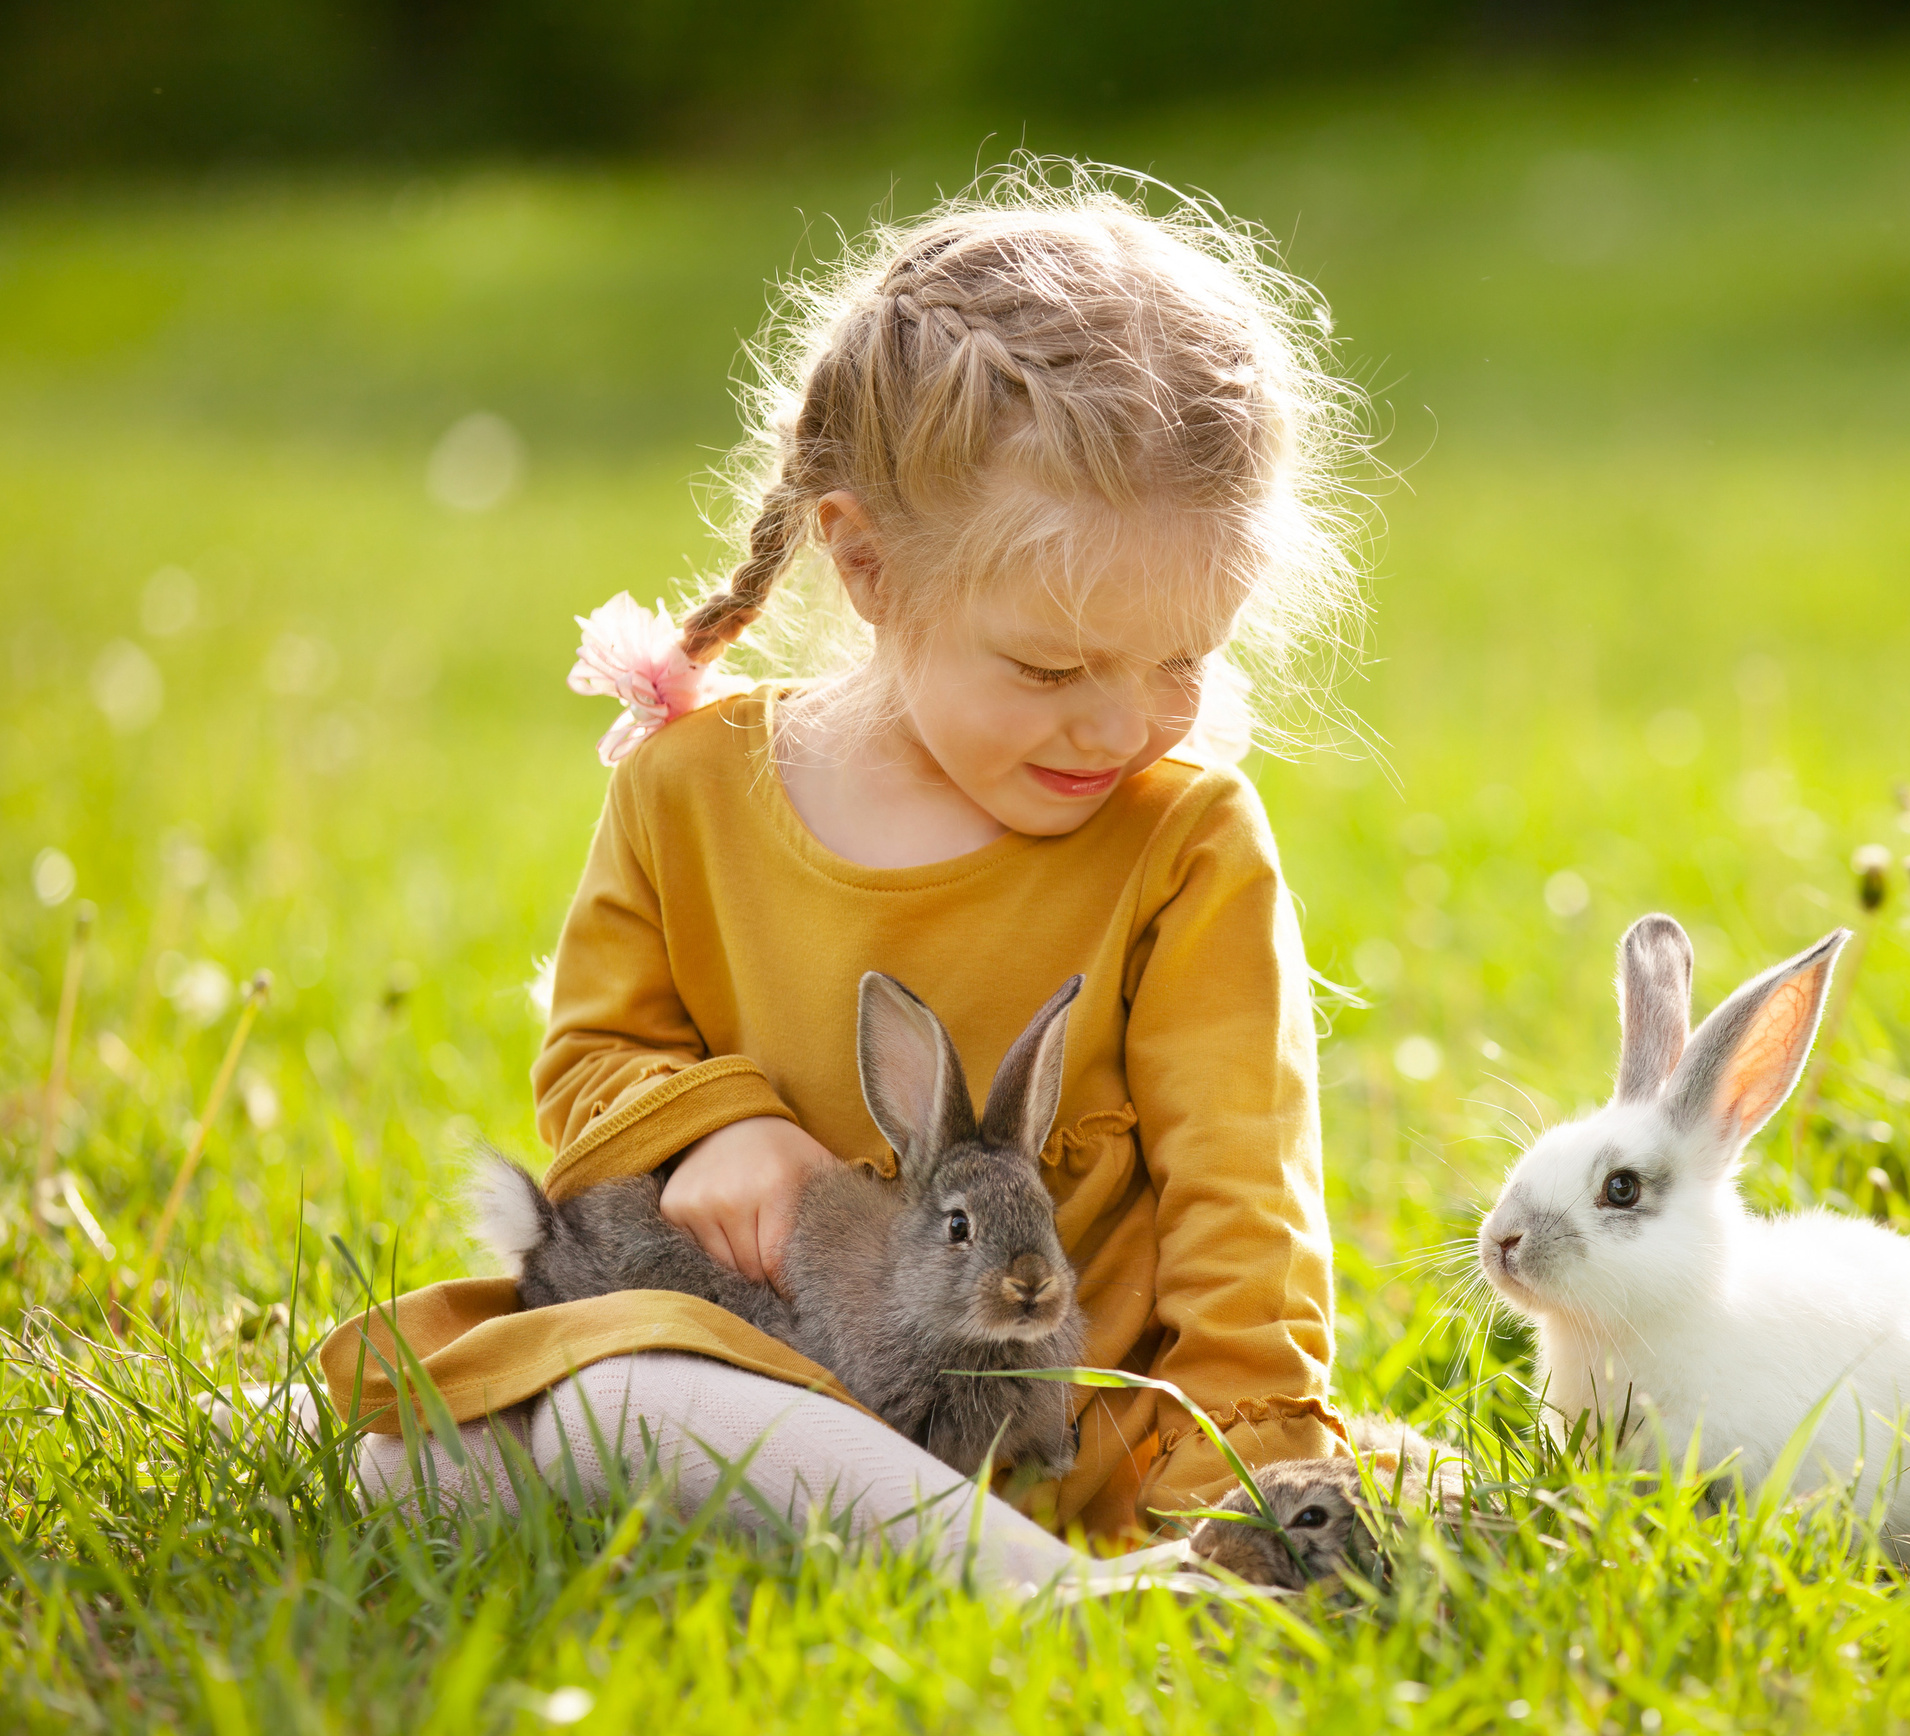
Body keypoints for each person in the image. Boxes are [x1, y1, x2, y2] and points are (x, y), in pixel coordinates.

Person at [317, 160, 1366, 1595]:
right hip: (761, 1378)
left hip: (1048, 1427)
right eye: (1051, 668)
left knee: (509, 1448)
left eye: (1183, 660)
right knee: (496, 1429)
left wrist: (1242, 1466)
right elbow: (594, 1055)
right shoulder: (691, 790)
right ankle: (927, 1548)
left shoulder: (1187, 848)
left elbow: (1243, 1204)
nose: (1124, 725)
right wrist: (711, 1130)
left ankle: (1067, 1588)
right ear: (867, 566)